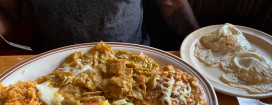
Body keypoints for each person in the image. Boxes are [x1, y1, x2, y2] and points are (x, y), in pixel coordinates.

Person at [0, 0, 199, 51]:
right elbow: (8, 16)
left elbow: (173, 5)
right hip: (56, 65)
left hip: (132, 59)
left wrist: (202, 49)